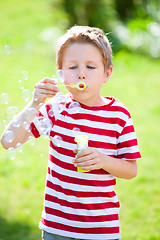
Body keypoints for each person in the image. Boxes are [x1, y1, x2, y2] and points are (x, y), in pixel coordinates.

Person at [1, 25, 141, 240]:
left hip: (102, 228)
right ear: (60, 73)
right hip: (57, 228)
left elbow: (130, 170)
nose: (81, 74)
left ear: (107, 73)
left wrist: (104, 160)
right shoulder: (56, 109)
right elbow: (9, 142)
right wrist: (35, 102)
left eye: (91, 67)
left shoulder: (119, 115)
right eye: (73, 67)